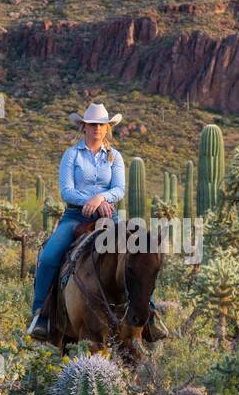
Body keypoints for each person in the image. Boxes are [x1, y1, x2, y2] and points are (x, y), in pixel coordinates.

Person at [27, 101, 167, 343]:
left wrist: (102, 198)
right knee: (49, 257)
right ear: (84, 127)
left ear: (107, 128)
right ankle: (41, 316)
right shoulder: (72, 155)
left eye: (101, 125)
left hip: (108, 216)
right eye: (92, 125)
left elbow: (120, 189)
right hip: (76, 216)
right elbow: (66, 190)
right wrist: (89, 200)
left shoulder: (116, 157)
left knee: (140, 255)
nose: (97, 129)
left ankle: (150, 316)